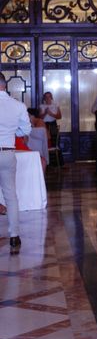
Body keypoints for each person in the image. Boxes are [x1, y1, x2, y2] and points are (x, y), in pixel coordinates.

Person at [0, 72, 32, 255]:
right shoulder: (18, 105)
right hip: (7, 151)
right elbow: (26, 130)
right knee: (10, 194)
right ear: (5, 85)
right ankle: (14, 235)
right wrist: (12, 133)